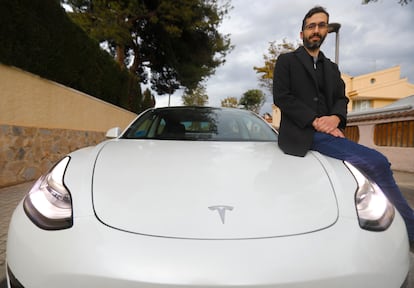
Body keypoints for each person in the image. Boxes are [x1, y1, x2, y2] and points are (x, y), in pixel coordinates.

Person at [273, 6, 414, 247]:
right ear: (302, 33)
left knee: (369, 169)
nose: (316, 30)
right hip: (302, 135)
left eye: (321, 25)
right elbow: (282, 97)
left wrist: (336, 119)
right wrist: (317, 121)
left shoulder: (331, 68)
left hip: (331, 134)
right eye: (311, 26)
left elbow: (341, 100)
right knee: (377, 162)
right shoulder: (287, 61)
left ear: (326, 30)